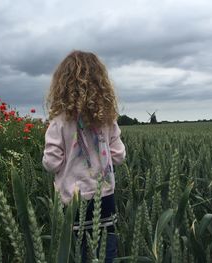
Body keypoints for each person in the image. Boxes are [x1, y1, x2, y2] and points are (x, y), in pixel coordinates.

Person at [42, 50, 126, 262]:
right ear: (101, 84)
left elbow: (52, 164)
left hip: (72, 203)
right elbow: (118, 156)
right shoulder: (108, 120)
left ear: (61, 85)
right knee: (106, 251)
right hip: (104, 199)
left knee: (76, 254)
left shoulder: (58, 122)